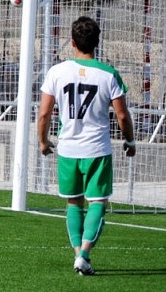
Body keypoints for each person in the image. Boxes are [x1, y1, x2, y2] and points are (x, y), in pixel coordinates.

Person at [36, 15, 136, 276]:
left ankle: (78, 256)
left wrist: (43, 142)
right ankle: (84, 254)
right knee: (98, 203)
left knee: (73, 204)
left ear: (72, 42)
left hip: (68, 148)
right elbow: (122, 115)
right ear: (97, 43)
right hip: (97, 149)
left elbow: (44, 113)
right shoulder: (108, 73)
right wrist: (129, 140)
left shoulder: (57, 72)